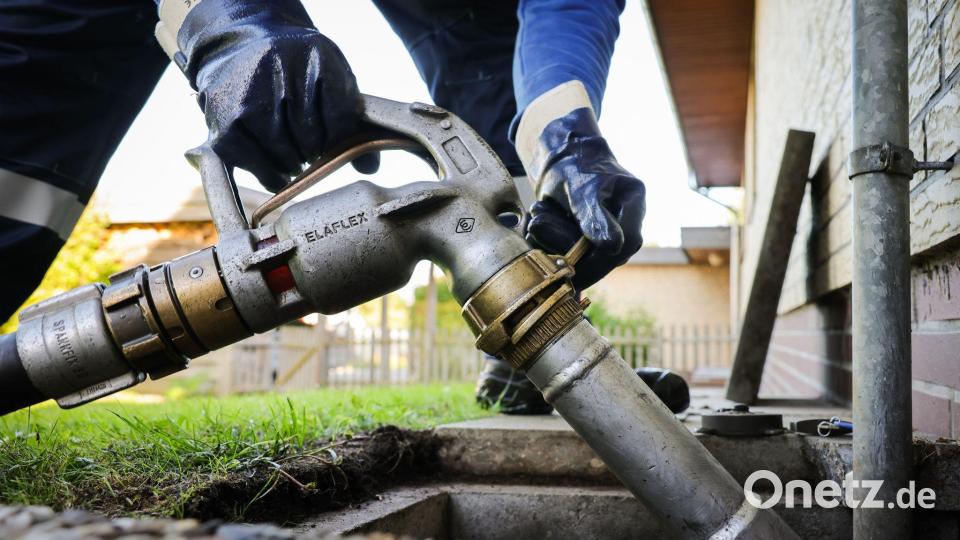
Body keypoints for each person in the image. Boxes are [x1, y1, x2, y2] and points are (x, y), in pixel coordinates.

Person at [0, 0, 687, 414]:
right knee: (49, 76)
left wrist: (562, 136)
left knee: (510, 161)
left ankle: (527, 367)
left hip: (460, 19)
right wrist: (237, 28)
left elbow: (567, 13)